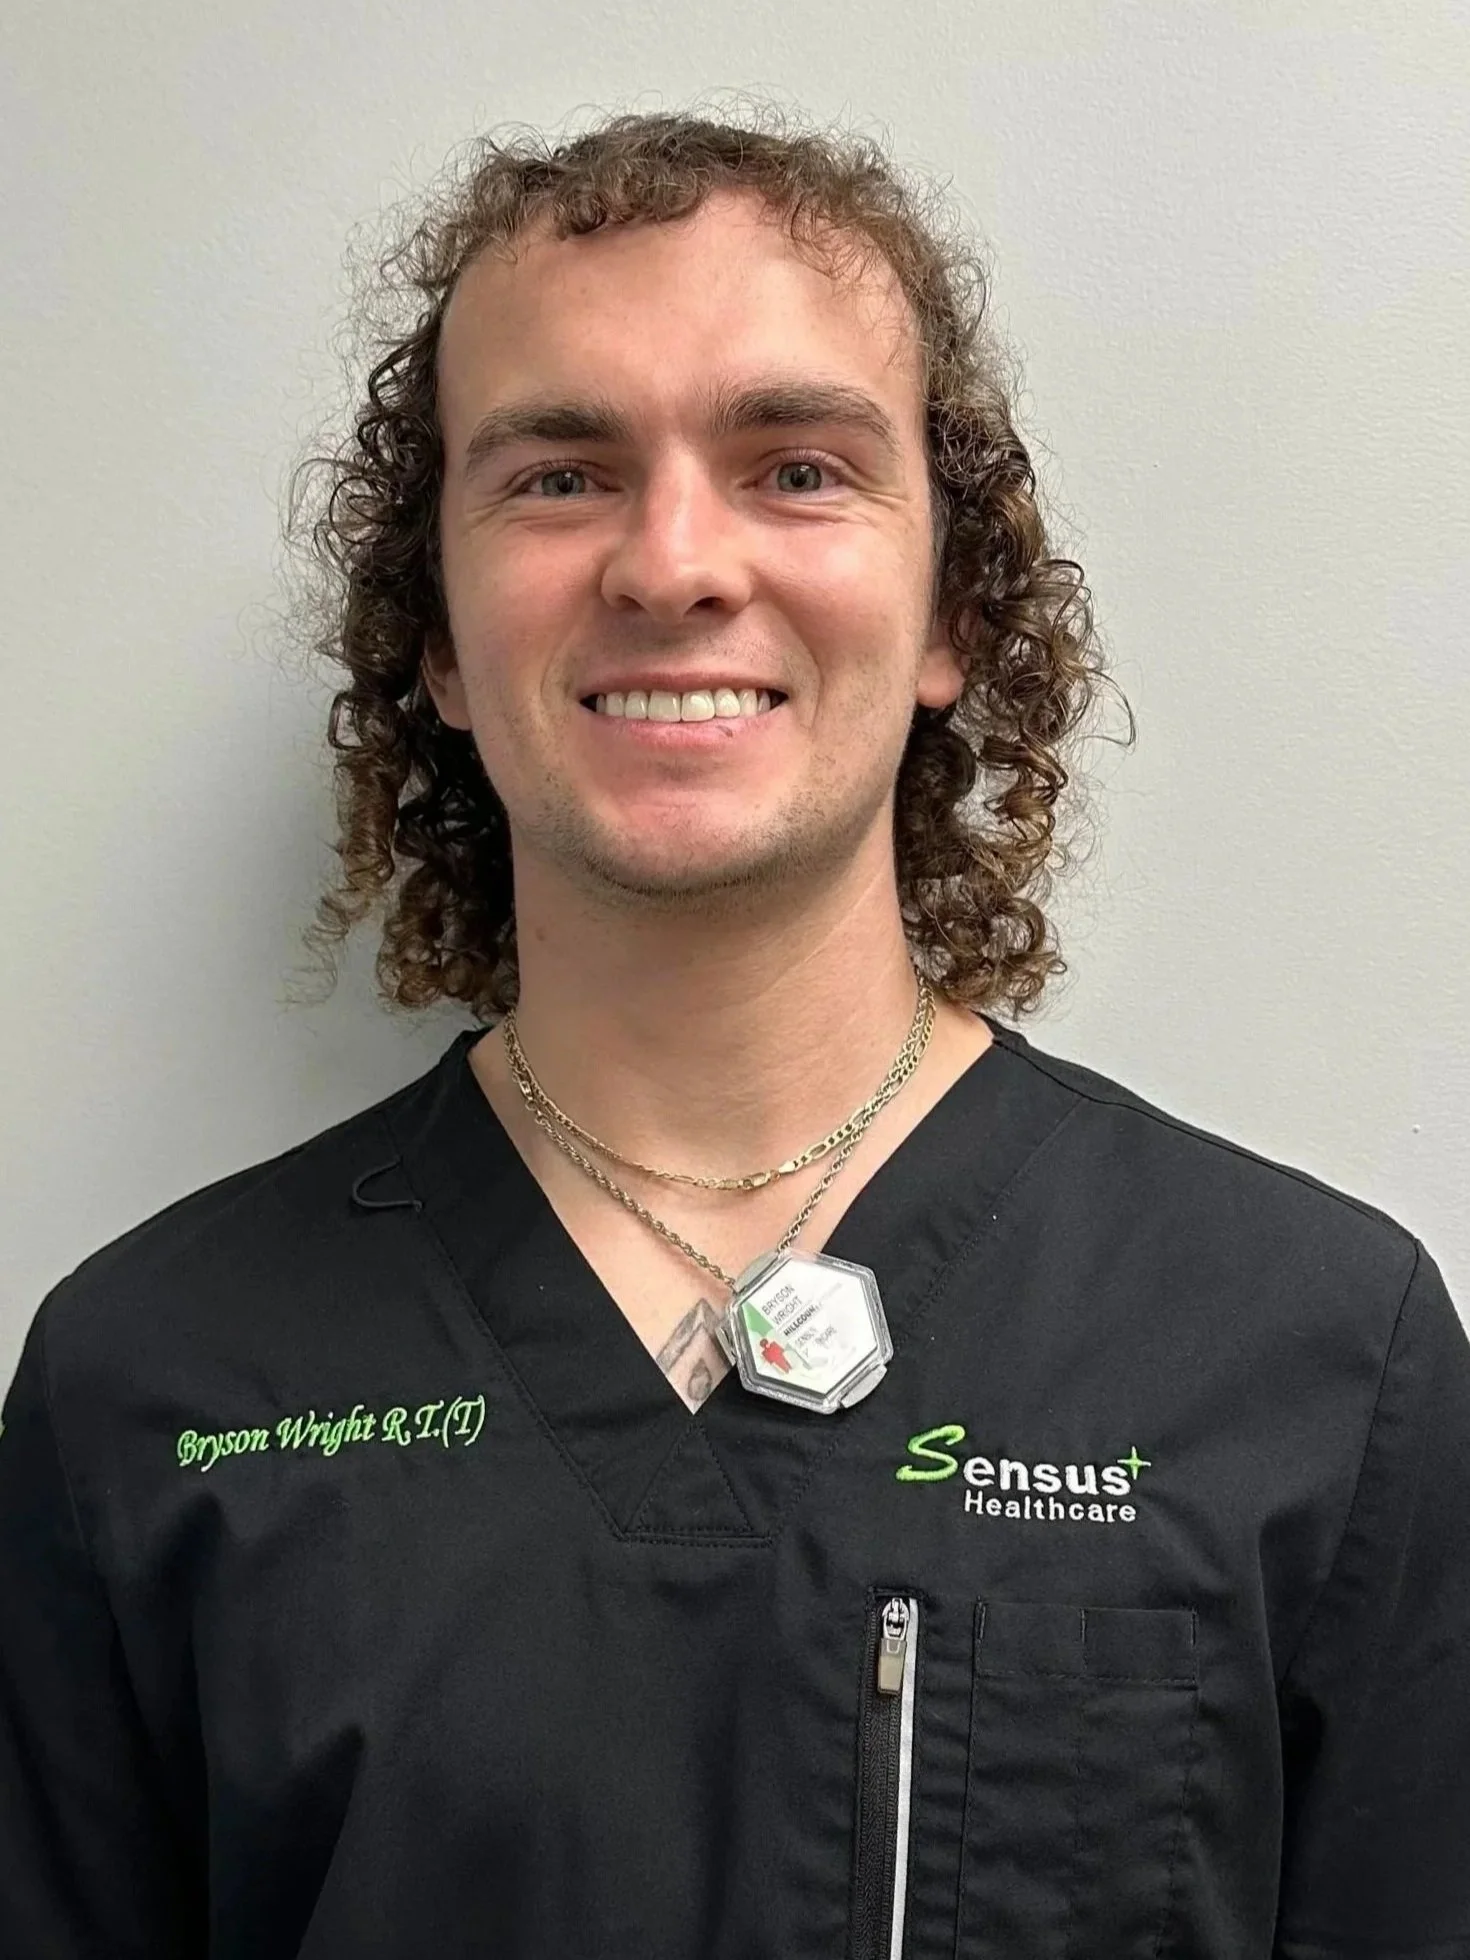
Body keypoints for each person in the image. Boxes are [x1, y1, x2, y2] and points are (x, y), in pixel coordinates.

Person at [2, 104, 1467, 1960]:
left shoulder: (1313, 1354)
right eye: (556, 476)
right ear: (436, 637)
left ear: (950, 607)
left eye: (794, 467)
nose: (673, 561)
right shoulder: (150, 1382)